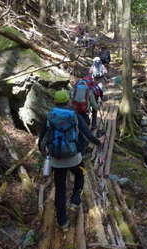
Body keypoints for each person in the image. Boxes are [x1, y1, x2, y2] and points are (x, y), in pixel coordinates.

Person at [38, 90, 102, 231]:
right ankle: (75, 200)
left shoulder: (49, 116)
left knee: (60, 188)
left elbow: (42, 137)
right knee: (81, 173)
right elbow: (88, 134)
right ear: (68, 102)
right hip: (74, 159)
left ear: (54, 102)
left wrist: (42, 151)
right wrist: (98, 142)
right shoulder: (74, 116)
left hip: (56, 160)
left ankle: (62, 222)